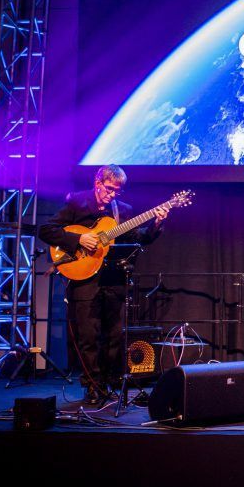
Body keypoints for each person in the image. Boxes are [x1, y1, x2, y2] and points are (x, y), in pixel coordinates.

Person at [38, 165, 167, 405]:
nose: (112, 195)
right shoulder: (77, 203)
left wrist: (156, 224)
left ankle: (107, 383)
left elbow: (139, 238)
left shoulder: (122, 210)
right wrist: (79, 238)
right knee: (88, 337)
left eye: (117, 191)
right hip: (84, 280)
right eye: (109, 189)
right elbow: (46, 230)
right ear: (97, 182)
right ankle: (92, 386)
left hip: (113, 280)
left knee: (114, 337)